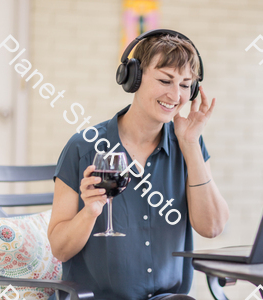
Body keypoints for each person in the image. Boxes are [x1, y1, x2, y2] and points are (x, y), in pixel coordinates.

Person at [47, 30, 229, 300]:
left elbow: (212, 227)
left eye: (185, 84)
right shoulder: (83, 148)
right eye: (165, 80)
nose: (176, 95)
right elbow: (60, 250)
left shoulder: (188, 146)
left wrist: (190, 144)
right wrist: (90, 212)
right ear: (135, 78)